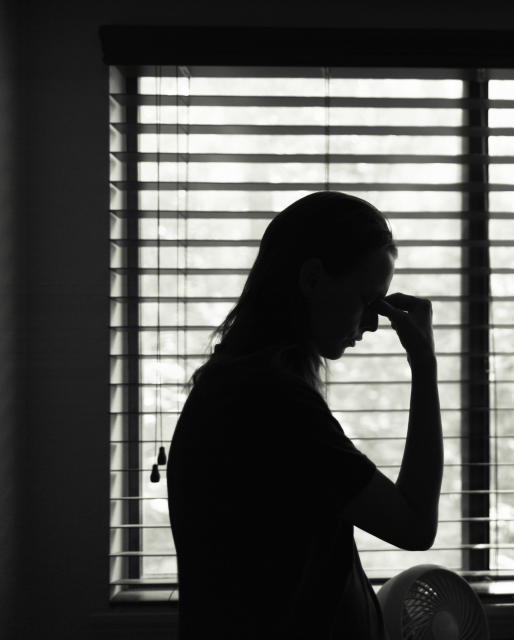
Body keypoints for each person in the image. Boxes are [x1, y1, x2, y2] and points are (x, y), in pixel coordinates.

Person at [166, 191, 443, 639]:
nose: (373, 324)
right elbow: (413, 525)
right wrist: (424, 366)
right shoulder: (271, 405)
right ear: (313, 279)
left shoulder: (241, 385)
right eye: (367, 300)